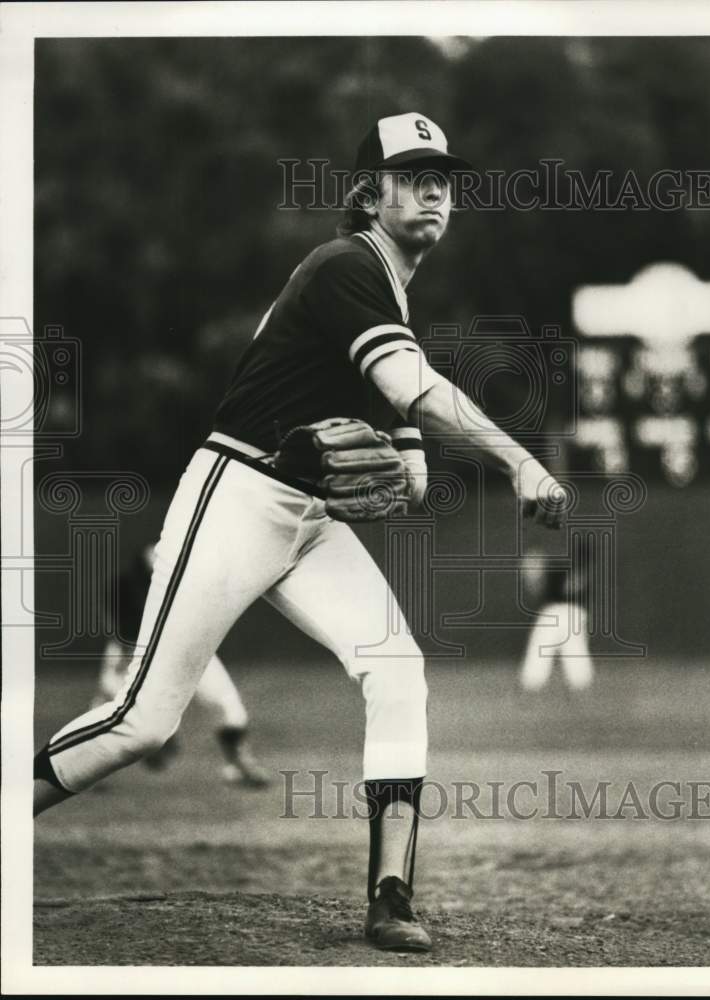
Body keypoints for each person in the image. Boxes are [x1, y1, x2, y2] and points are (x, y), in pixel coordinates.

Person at [33, 113, 567, 952]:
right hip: (238, 494)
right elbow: (410, 381)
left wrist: (412, 447)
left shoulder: (384, 282)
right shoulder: (346, 263)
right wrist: (518, 462)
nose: (434, 188)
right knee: (145, 722)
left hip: (311, 520)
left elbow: (388, 390)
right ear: (369, 194)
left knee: (396, 667)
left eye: (445, 177)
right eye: (412, 173)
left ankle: (391, 895)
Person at [94, 544, 271, 785]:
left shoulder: (195, 577)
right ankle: (88, 769)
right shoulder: (127, 587)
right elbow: (126, 636)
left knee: (225, 702)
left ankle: (239, 763)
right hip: (136, 648)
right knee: (108, 708)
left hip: (186, 644)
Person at [519, 546, 593, 692]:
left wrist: (534, 572)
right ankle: (581, 683)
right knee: (575, 650)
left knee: (540, 647)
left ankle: (531, 683)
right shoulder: (583, 574)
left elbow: (539, 588)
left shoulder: (557, 568)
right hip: (575, 613)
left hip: (553, 612)